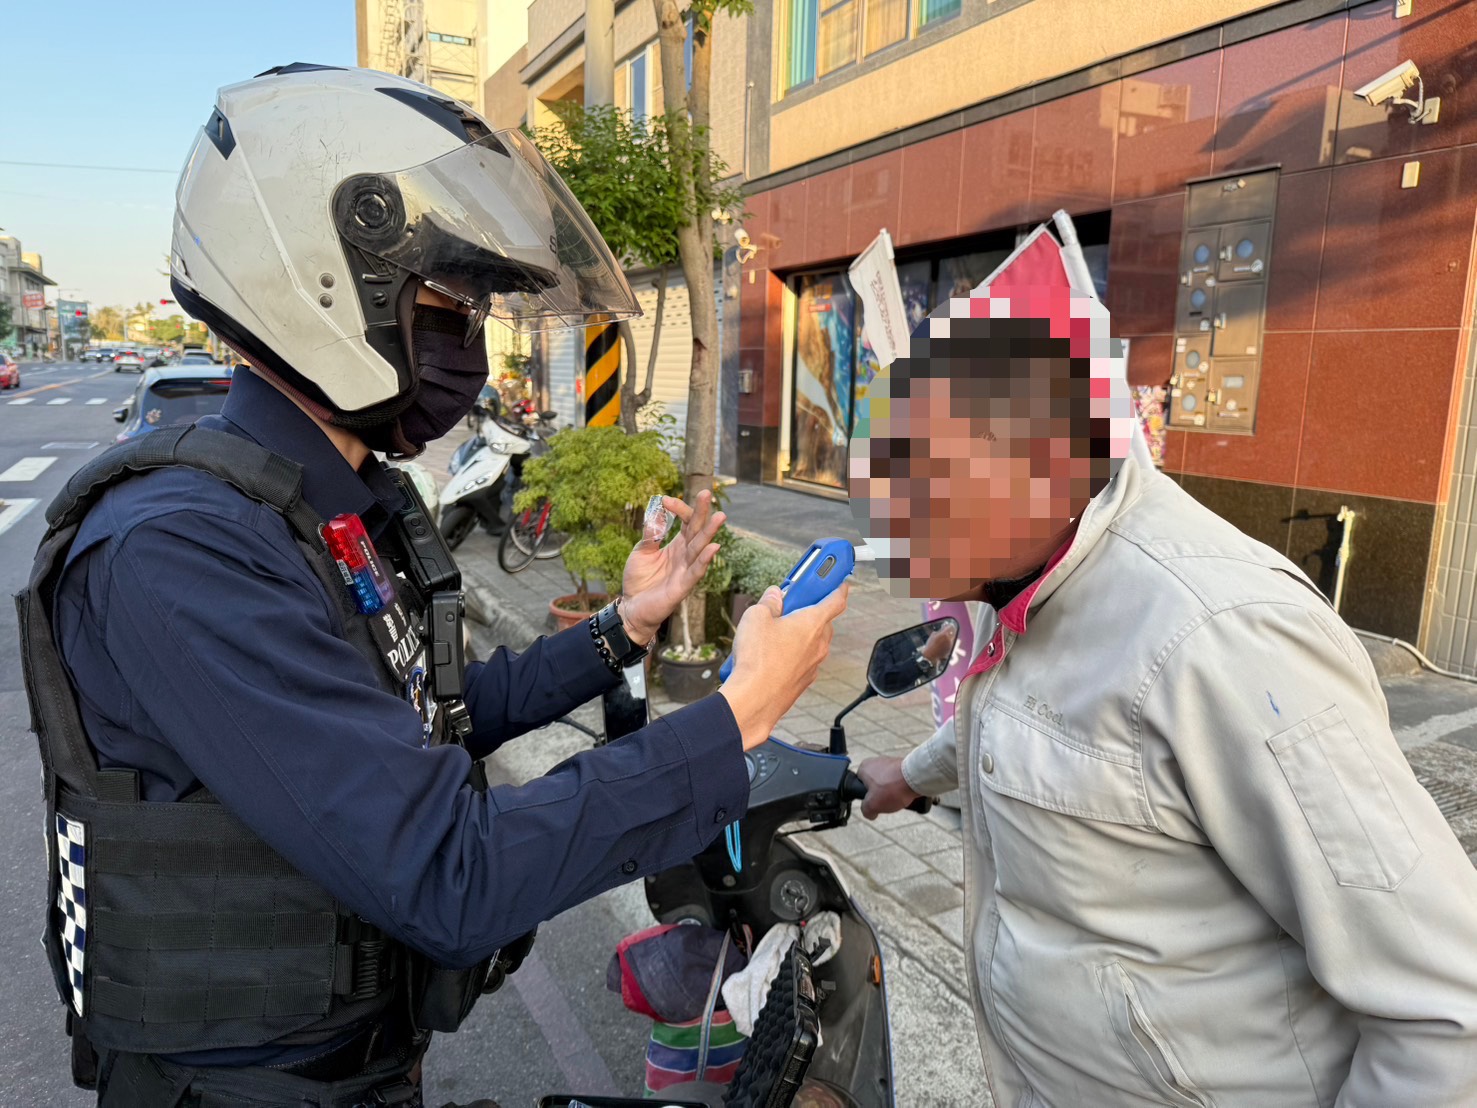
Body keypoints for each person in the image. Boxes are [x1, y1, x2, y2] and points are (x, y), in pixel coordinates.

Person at [19, 65, 847, 1107]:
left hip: (357, 1066)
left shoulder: (332, 507)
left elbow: (435, 708)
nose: (471, 341)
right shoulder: (180, 551)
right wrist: (731, 722)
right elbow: (448, 873)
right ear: (319, 279)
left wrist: (622, 625)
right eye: (452, 303)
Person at [852, 216, 1477, 1106]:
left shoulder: (1221, 636)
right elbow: (1018, 712)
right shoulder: (1018, 580)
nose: (898, 531)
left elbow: (1448, 1005)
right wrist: (909, 777)